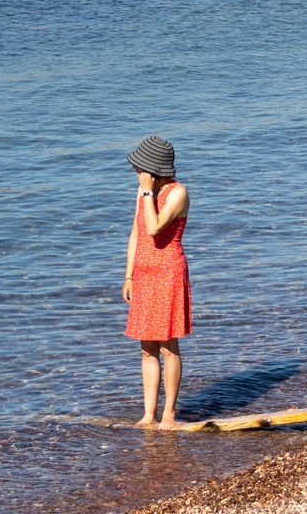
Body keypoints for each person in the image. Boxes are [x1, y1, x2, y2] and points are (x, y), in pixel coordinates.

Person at [121, 135, 191, 430]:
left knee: (167, 346)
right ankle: (149, 414)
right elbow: (136, 234)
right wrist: (128, 275)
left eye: (140, 168)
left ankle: (169, 415)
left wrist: (149, 194)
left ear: (153, 169)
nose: (137, 173)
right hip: (144, 274)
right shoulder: (142, 191)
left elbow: (153, 228)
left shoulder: (178, 193)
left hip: (168, 273)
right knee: (146, 347)